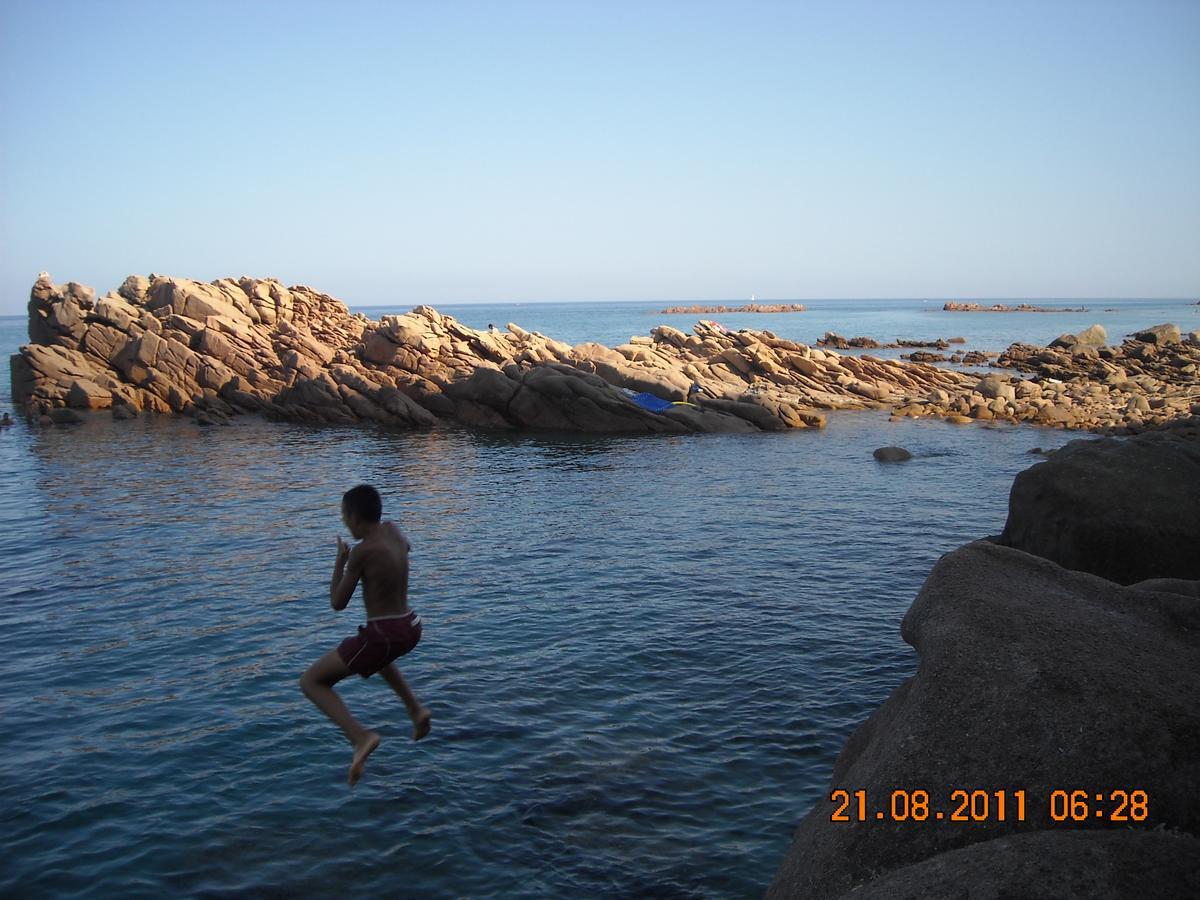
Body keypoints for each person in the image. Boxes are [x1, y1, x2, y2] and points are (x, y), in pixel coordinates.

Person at [300, 484, 432, 786]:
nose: (345, 524)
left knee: (311, 681)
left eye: (345, 518)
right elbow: (404, 551)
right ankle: (416, 710)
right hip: (411, 626)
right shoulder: (394, 532)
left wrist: (341, 561)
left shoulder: (361, 552)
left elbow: (337, 602)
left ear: (356, 519)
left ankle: (360, 738)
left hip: (384, 632)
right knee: (380, 659)